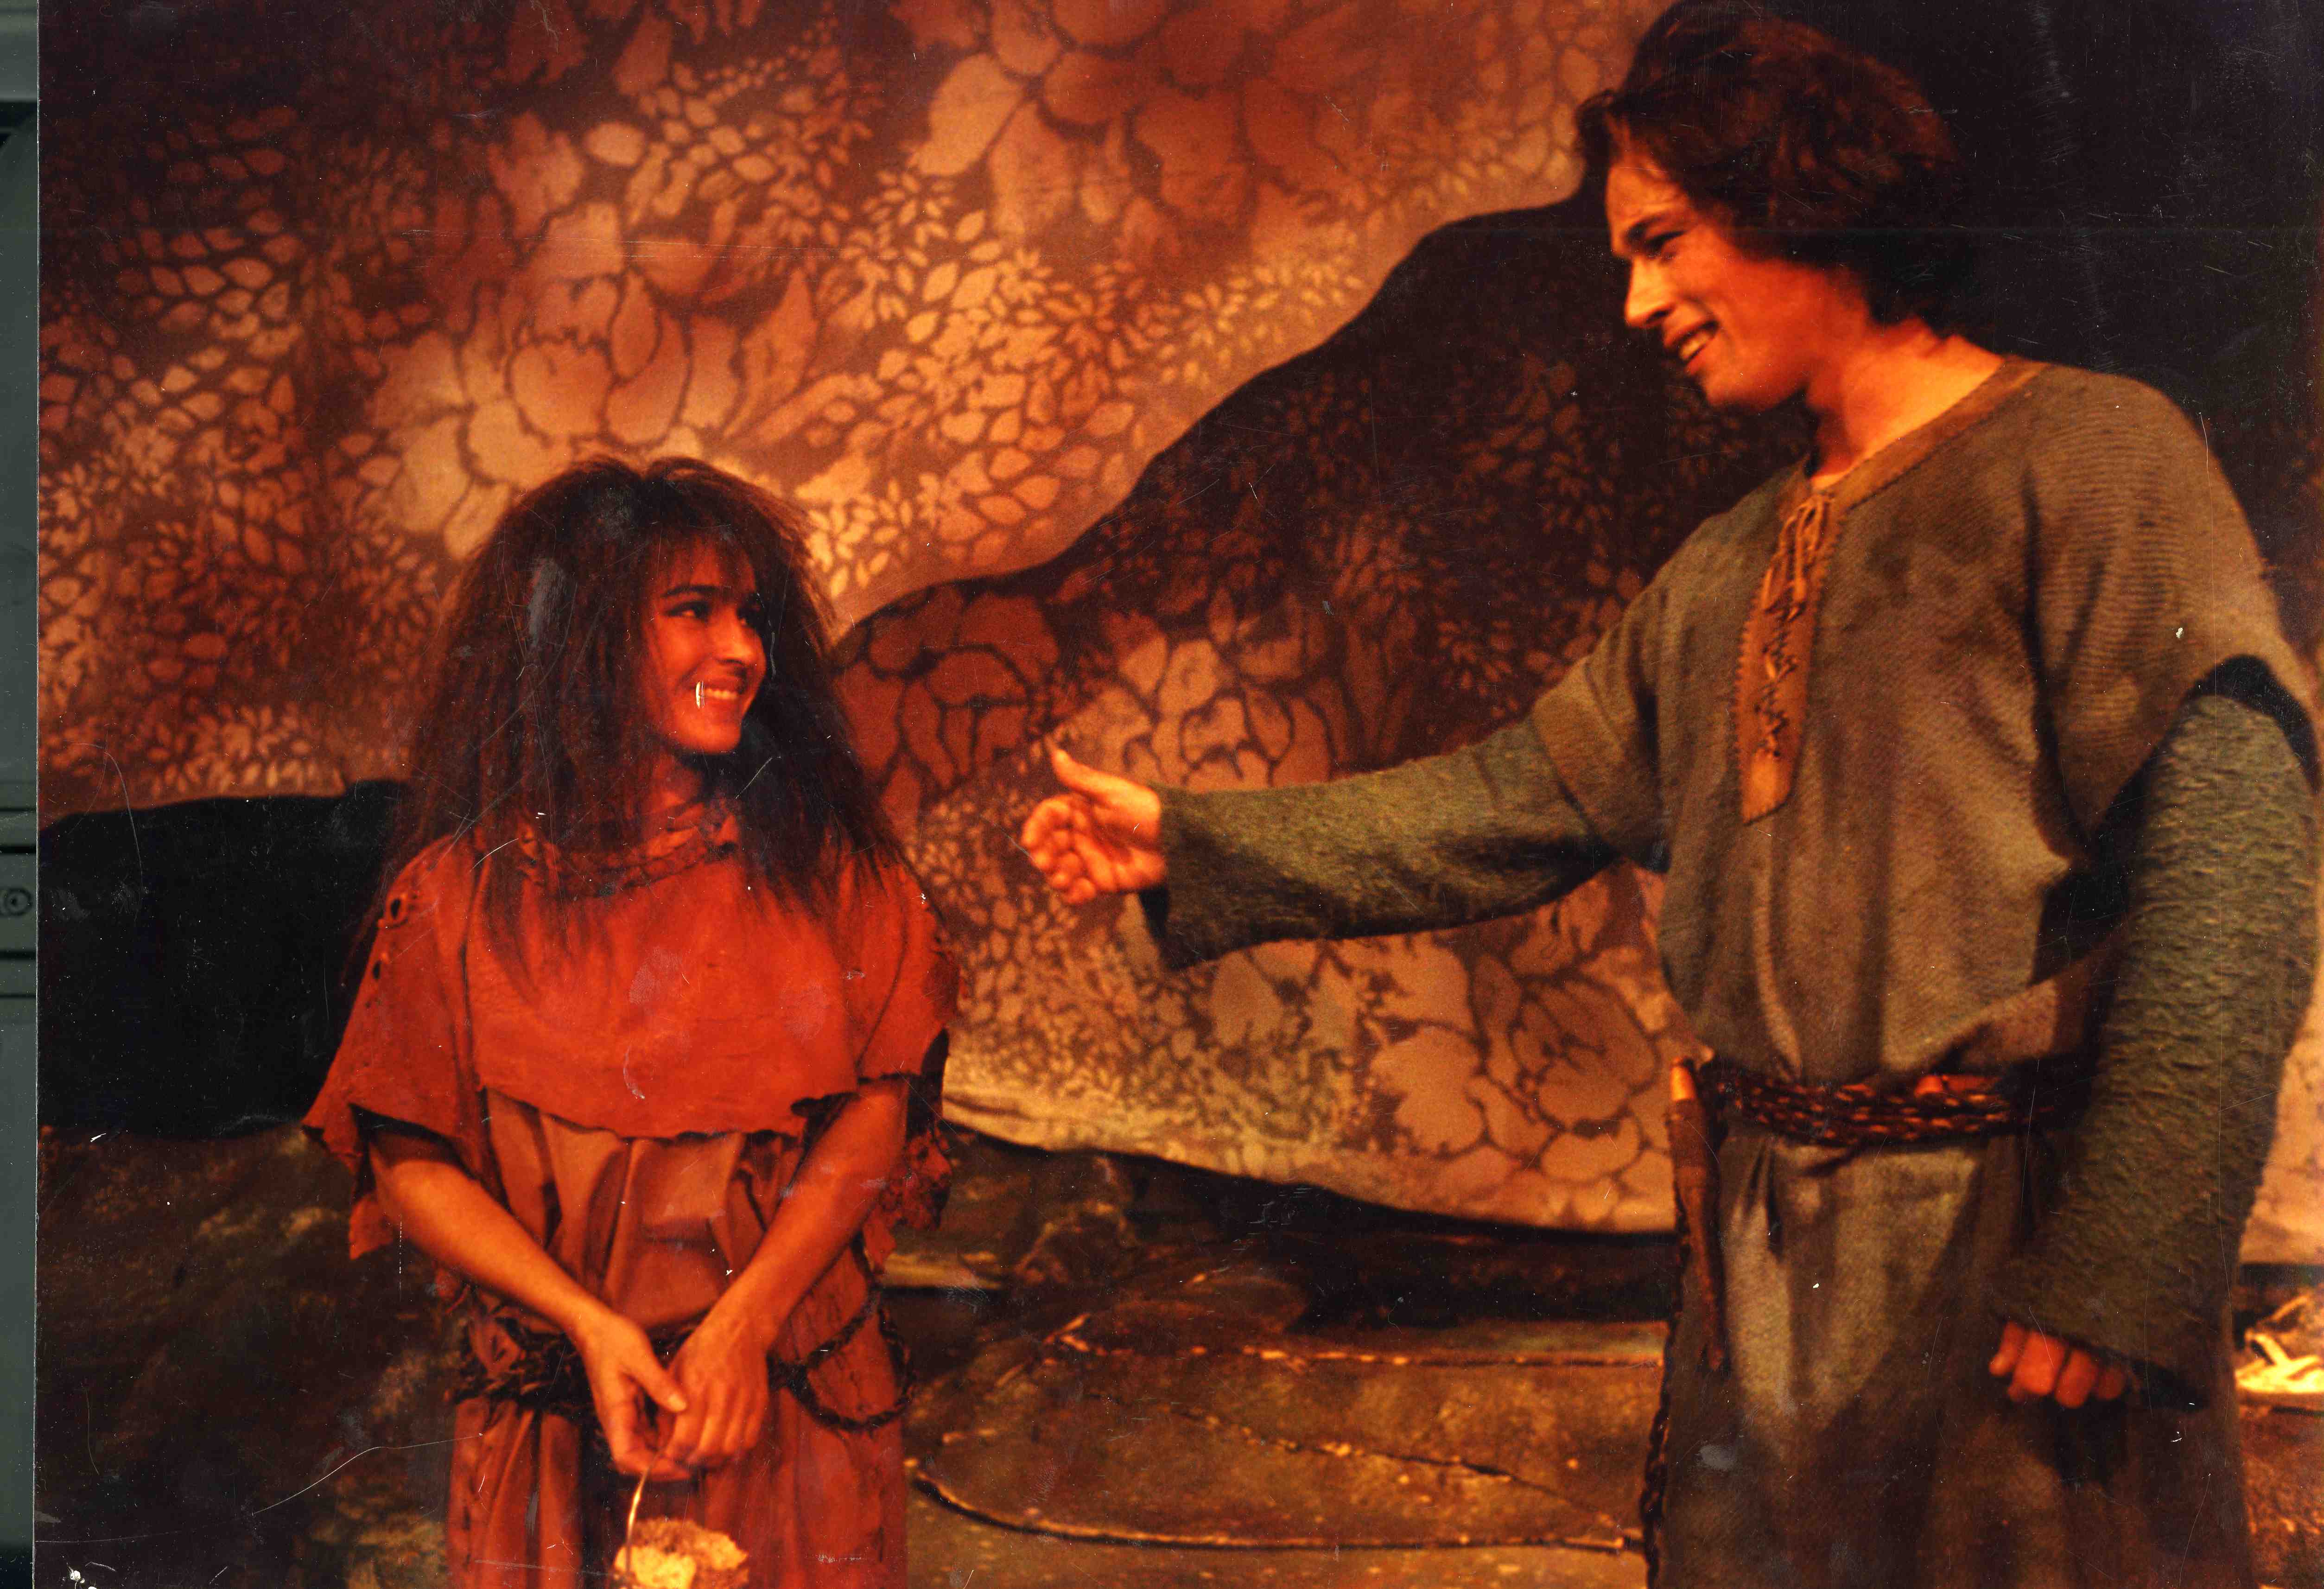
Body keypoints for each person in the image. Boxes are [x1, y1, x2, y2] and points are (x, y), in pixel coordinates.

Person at [1019, 7, 2319, 1586]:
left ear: (1800, 194)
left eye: (1660, 241)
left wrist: (2124, 1257)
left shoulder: (2092, 458)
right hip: (1766, 1275)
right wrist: (1193, 837)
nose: (1635, 303)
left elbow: (2233, 857)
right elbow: (1509, 800)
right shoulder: (1724, 568)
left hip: (2005, 1253)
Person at [305, 458, 957, 1589]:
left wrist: (745, 1323)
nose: (742, 650)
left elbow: (876, 1111)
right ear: (580, 638)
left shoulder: (832, 878)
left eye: (749, 616)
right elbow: (411, 1161)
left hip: (783, 1408)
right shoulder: (455, 901)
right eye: (693, 611)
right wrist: (585, 1323)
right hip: (555, 1424)